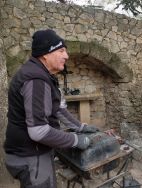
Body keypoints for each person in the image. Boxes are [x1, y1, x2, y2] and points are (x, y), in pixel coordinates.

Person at [4, 29, 99, 188]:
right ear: (45, 54)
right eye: (61, 50)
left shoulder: (45, 76)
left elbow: (58, 109)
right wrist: (76, 140)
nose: (67, 56)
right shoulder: (36, 79)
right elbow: (38, 131)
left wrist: (81, 127)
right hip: (30, 156)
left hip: (33, 153)